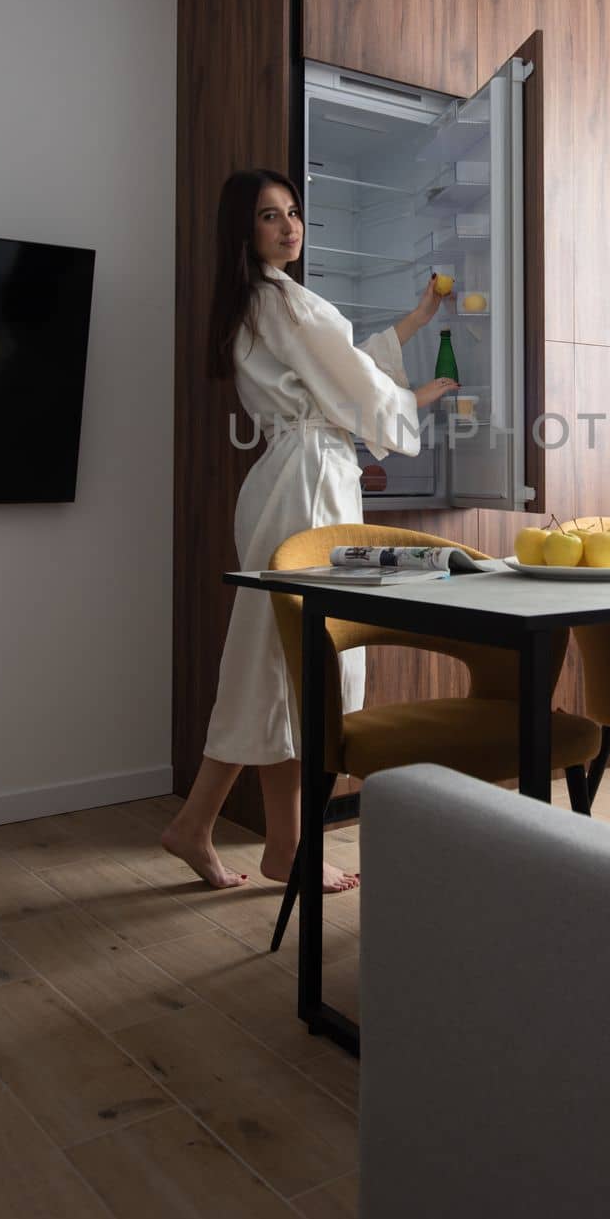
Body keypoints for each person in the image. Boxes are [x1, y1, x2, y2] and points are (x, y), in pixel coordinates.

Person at [162, 168, 459, 890]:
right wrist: (417, 399)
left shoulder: (267, 302)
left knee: (282, 658)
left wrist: (417, 322)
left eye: (293, 212)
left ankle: (266, 841)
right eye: (269, 216)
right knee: (294, 657)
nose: (289, 226)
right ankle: (224, 831)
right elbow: (353, 386)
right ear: (246, 231)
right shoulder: (282, 303)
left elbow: (343, 366)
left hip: (294, 475)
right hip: (306, 484)